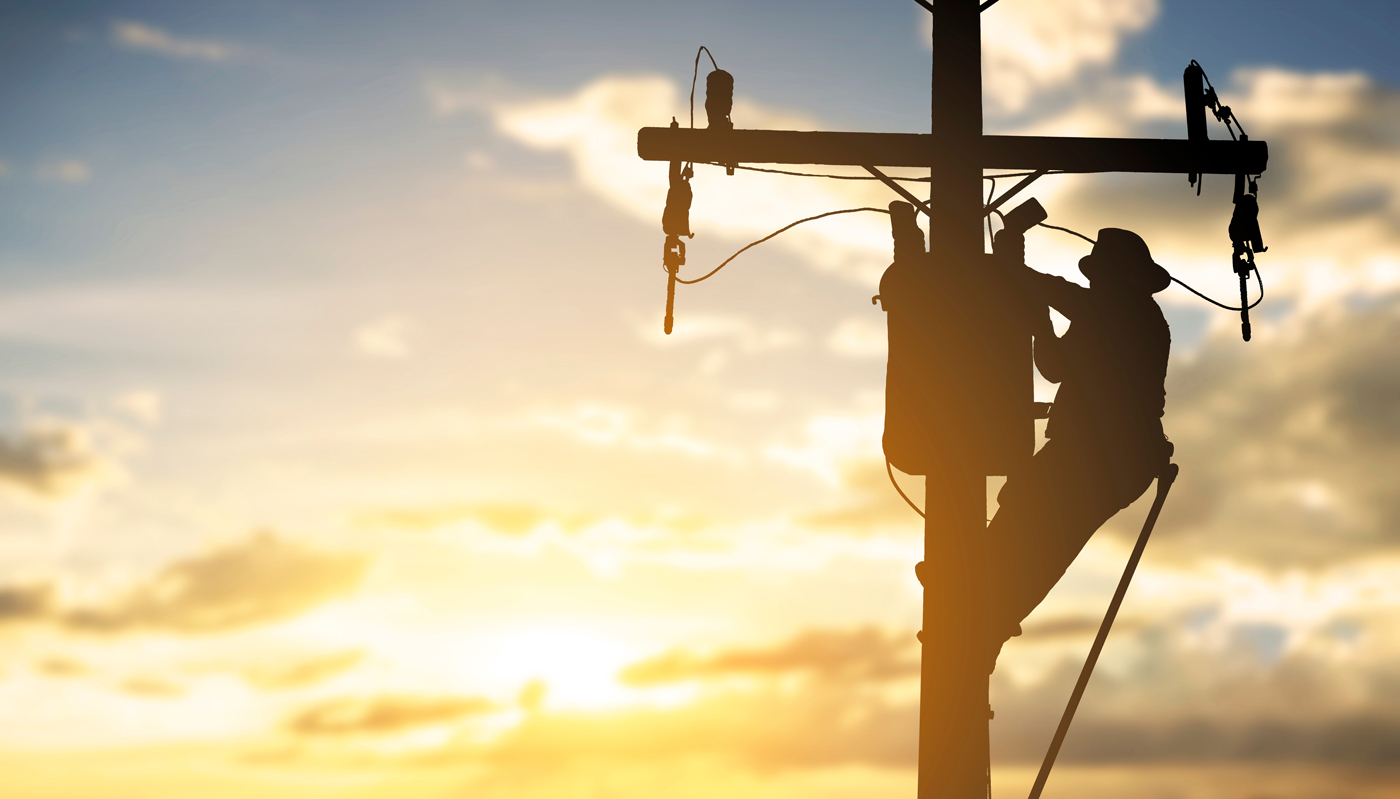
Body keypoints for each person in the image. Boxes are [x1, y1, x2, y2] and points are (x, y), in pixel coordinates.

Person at [985, 226, 1173, 669]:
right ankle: (988, 604)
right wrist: (1032, 302)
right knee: (1032, 517)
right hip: (1112, 456)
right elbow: (1055, 364)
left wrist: (1022, 287)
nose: (1093, 283)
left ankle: (985, 607)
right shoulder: (1120, 315)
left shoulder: (1118, 312)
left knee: (1033, 520)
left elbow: (1051, 299)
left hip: (1105, 454)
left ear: (1117, 278)